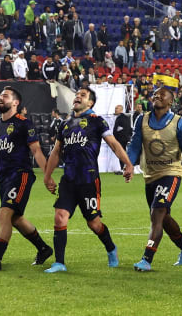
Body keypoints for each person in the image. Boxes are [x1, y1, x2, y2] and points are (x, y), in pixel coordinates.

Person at [42, 88, 134, 273]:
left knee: (94, 223)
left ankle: (110, 248)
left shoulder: (96, 121)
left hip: (88, 179)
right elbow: (56, 152)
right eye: (77, 94)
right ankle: (59, 262)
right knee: (60, 218)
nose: (78, 96)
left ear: (90, 103)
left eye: (83, 95)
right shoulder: (65, 124)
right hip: (68, 179)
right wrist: (47, 175)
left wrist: (128, 164)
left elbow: (114, 144)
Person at [0, 87, 54, 271]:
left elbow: (36, 150)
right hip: (5, 178)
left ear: (15, 102)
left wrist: (47, 175)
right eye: (0, 95)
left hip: (21, 174)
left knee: (5, 214)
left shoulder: (23, 123)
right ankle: (43, 248)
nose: (0, 98)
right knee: (15, 218)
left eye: (5, 96)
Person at [126, 87, 182, 271]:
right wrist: (128, 164)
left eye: (161, 94)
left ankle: (146, 259)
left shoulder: (178, 122)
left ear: (170, 102)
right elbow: (134, 144)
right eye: (155, 94)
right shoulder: (142, 119)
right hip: (150, 175)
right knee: (164, 218)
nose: (157, 96)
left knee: (157, 213)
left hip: (170, 173)